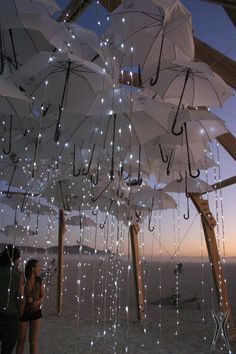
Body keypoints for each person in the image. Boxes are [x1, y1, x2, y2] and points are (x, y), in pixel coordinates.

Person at [0, 244, 24, 354]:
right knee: (7, 349)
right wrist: (22, 314)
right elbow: (20, 298)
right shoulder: (18, 275)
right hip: (11, 316)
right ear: (14, 259)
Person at [16, 259, 44, 354]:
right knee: (21, 340)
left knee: (33, 342)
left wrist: (37, 301)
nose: (40, 268)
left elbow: (42, 296)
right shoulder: (23, 278)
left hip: (36, 311)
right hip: (24, 311)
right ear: (33, 268)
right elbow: (20, 295)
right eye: (38, 266)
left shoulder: (39, 280)